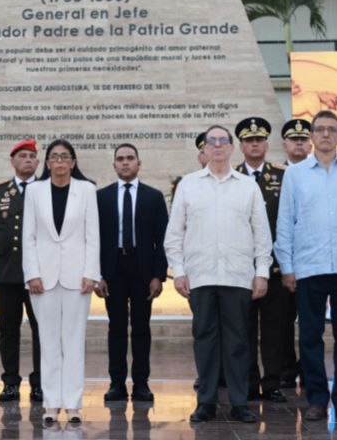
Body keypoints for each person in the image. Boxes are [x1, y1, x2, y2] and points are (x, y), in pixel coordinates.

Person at [165, 124, 271, 424]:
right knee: (205, 340)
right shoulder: (189, 184)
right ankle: (206, 402)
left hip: (238, 276)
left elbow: (261, 234)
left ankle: (240, 402)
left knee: (239, 341)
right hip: (200, 277)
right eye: (212, 142)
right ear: (204, 150)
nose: (218, 146)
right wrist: (180, 272)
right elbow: (174, 235)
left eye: (223, 141)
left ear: (232, 147)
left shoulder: (247, 186)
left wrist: (261, 272)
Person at [277, 111, 337, 422]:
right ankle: (317, 400)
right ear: (311, 136)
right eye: (319, 129)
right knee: (310, 337)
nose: (325, 135)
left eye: (331, 129)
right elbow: (285, 223)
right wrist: (287, 266)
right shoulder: (295, 174)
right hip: (309, 267)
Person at [22, 140, 100, 425]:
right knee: (49, 341)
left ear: (73, 161)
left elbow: (93, 236)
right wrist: (31, 273)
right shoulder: (34, 191)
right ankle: (52, 404)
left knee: (74, 340)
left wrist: (91, 273)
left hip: (77, 277)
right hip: (43, 278)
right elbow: (28, 237)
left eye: (64, 157)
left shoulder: (87, 190)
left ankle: (74, 404)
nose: (59, 162)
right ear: (47, 163)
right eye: (54, 157)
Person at [96, 142, 167, 403]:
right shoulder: (101, 197)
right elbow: (94, 239)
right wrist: (98, 274)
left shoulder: (153, 196)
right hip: (113, 270)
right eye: (120, 159)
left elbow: (163, 240)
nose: (125, 162)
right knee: (116, 329)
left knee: (141, 329)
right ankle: (116, 384)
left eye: (130, 158)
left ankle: (141, 384)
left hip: (142, 271)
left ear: (139, 163)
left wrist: (159, 275)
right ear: (114, 165)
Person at [232, 117, 292, 402]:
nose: (254, 144)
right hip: (242, 269)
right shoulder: (231, 178)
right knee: (243, 331)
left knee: (274, 331)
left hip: (276, 268)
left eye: (259, 139)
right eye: (249, 140)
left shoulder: (284, 176)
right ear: (241, 146)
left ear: (267, 144)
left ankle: (272, 384)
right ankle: (249, 383)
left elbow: (292, 222)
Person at [0, 138, 43, 404]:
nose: (27, 160)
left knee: (40, 329)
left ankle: (40, 382)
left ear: (38, 162)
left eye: (32, 156)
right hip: (7, 272)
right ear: (13, 161)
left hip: (39, 275)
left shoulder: (46, 189)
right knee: (8, 330)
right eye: (22, 156)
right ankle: (10, 382)